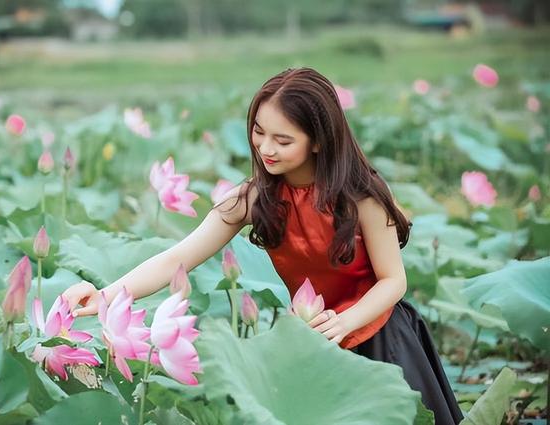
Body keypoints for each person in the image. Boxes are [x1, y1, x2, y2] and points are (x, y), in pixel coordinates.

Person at [62, 67, 464, 424]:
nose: (265, 148)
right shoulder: (255, 199)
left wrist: (346, 321)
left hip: (378, 334)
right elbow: (178, 257)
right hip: (310, 341)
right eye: (258, 132)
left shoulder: (362, 197)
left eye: (282, 140)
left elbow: (394, 281)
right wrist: (106, 295)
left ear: (318, 141)